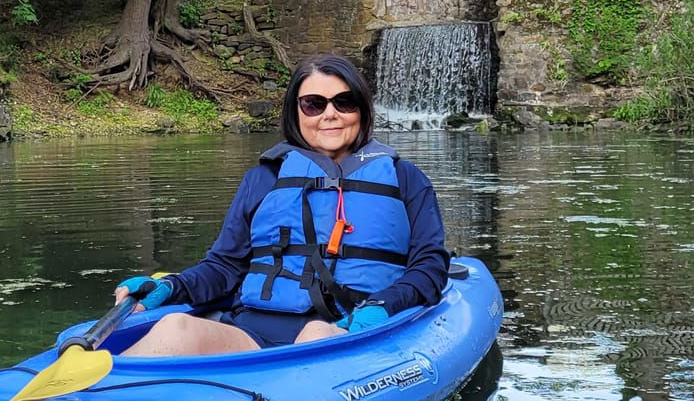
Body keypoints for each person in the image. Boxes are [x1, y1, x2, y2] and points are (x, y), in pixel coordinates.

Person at [111, 53, 449, 356]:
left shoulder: (405, 178)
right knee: (175, 327)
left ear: (361, 108)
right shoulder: (263, 178)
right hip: (252, 330)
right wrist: (172, 286)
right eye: (314, 104)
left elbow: (430, 266)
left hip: (344, 328)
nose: (330, 115)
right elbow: (224, 266)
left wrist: (384, 305)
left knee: (315, 335)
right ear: (296, 112)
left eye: (344, 102)